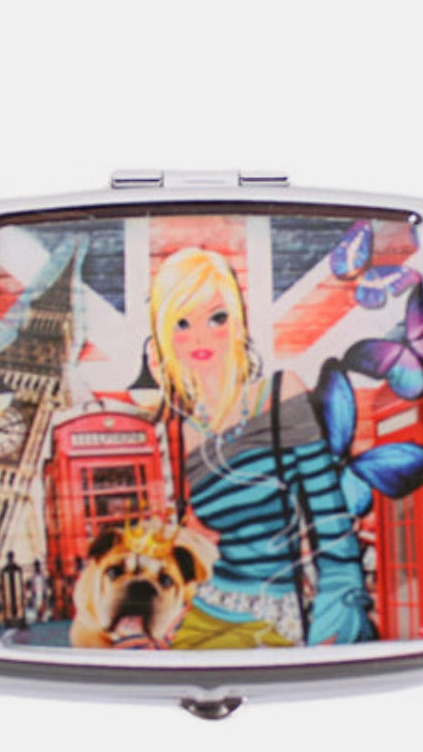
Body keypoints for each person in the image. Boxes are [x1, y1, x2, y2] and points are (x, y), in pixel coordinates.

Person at [147, 246, 374, 648]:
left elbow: (330, 518)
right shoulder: (187, 431)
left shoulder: (280, 395)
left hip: (276, 612)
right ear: (165, 336)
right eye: (182, 323)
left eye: (216, 318)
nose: (199, 337)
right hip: (211, 606)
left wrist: (340, 605)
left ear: (237, 321)